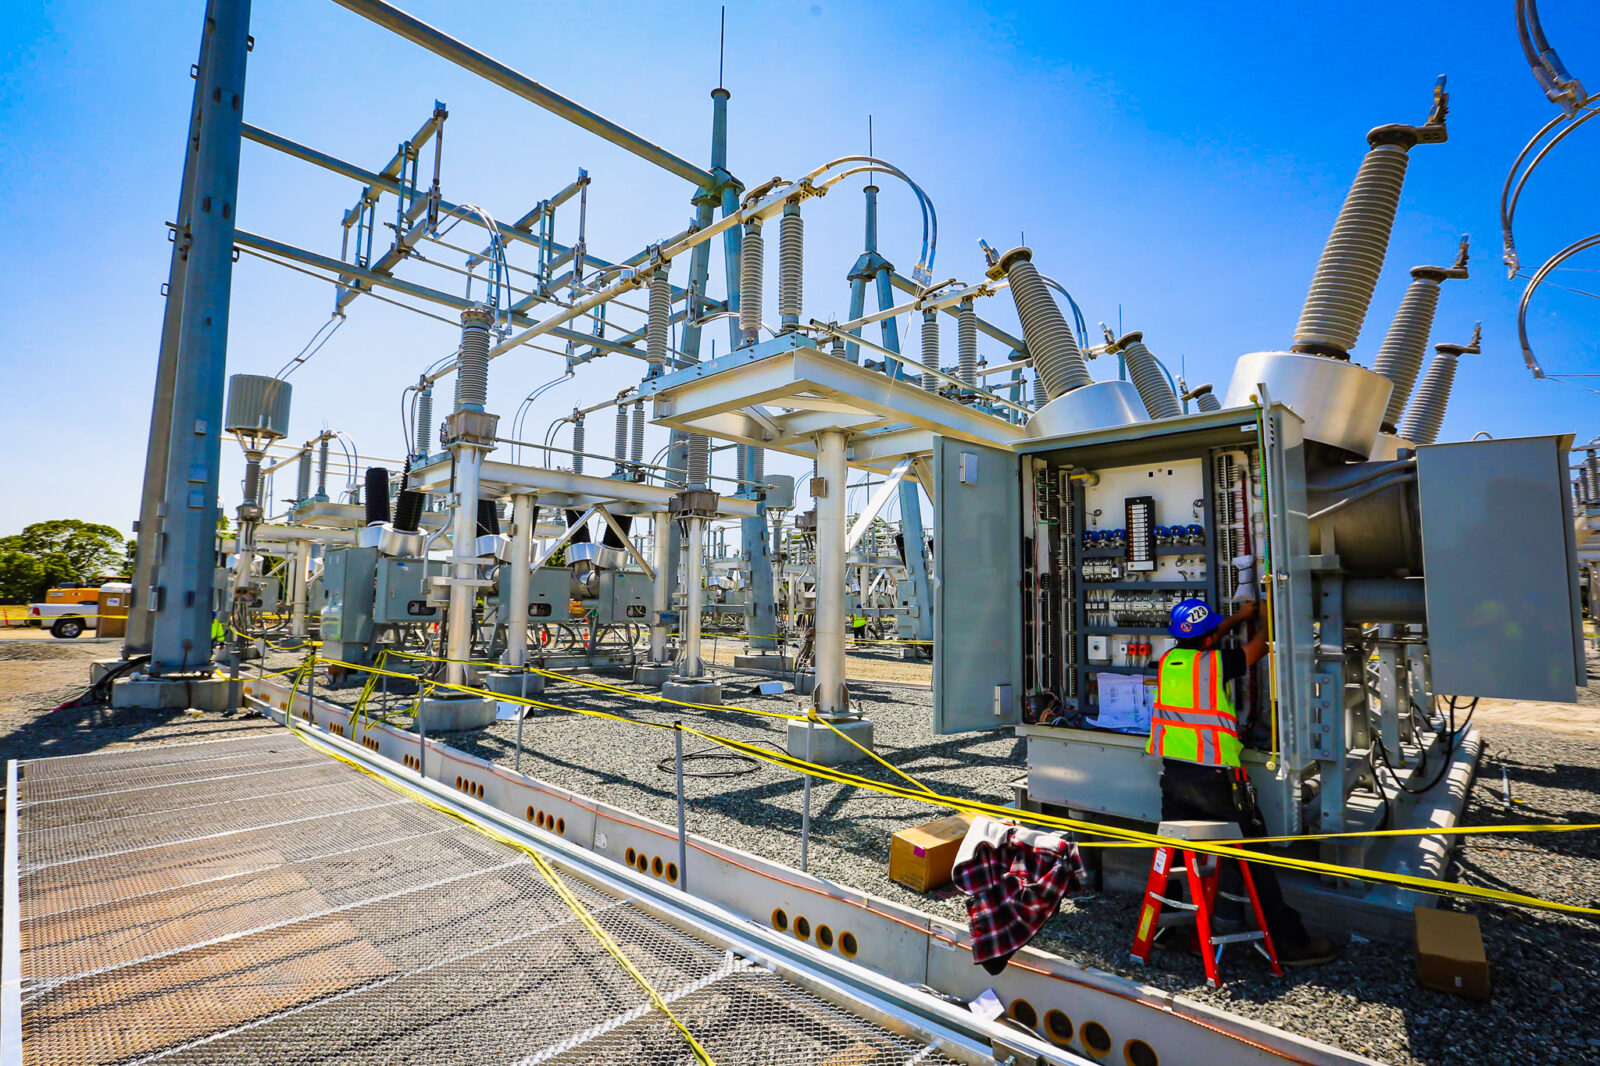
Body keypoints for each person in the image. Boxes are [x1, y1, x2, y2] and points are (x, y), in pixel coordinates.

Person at [1148, 598, 1340, 967]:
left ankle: (1162, 931)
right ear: (1208, 640)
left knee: (1170, 857)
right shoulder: (1216, 663)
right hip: (1216, 779)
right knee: (1254, 859)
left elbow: (1207, 636)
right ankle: (1290, 943)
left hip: (1174, 777)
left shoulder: (1169, 663)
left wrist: (1238, 616)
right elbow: (1259, 648)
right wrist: (1267, 616)